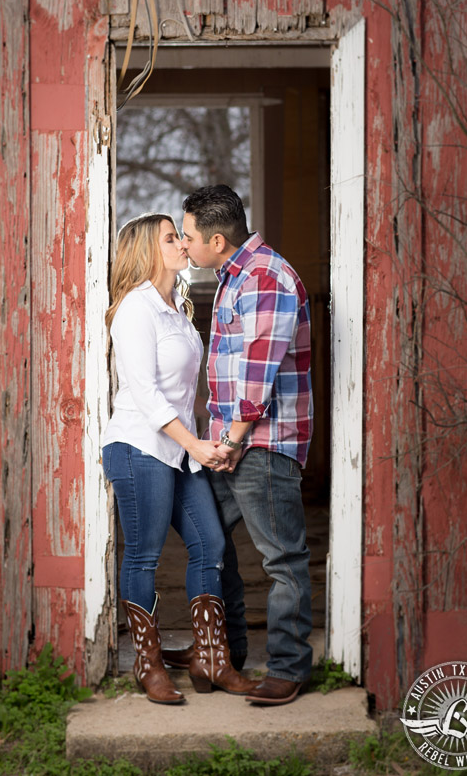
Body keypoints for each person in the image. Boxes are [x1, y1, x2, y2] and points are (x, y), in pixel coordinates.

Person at [101, 213, 258, 705]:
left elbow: (189, 388)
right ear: (149, 249)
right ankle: (148, 666)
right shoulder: (134, 309)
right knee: (144, 554)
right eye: (172, 238)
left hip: (179, 449)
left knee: (209, 544)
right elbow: (146, 393)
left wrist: (199, 441)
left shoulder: (178, 307)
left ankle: (211, 658)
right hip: (138, 446)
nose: (183, 244)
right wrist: (194, 445)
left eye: (181, 236)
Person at [179, 185, 314, 706]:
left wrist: (232, 441)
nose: (184, 245)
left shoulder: (265, 278)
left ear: (217, 239)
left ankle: (287, 667)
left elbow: (256, 380)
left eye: (188, 236)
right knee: (209, 546)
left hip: (262, 445)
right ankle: (221, 654)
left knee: (282, 559)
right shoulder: (234, 277)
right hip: (230, 443)